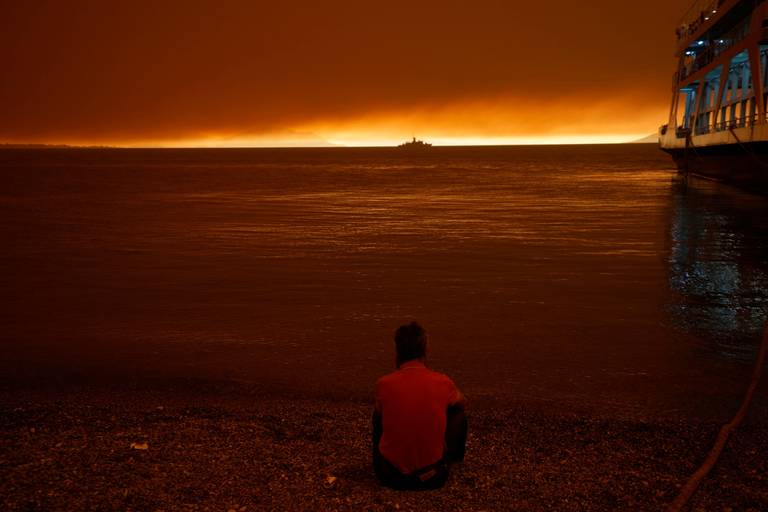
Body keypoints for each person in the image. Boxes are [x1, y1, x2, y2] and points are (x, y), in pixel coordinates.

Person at [373, 321, 467, 489]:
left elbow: (381, 416)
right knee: (457, 412)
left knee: (379, 413)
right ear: (425, 351)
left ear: (397, 352)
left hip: (389, 476)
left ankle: (391, 454)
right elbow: (463, 401)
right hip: (431, 477)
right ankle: (454, 460)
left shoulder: (383, 384)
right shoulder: (442, 381)